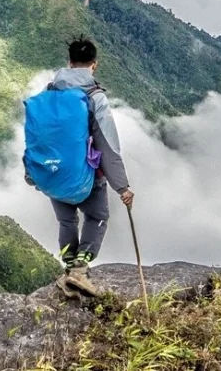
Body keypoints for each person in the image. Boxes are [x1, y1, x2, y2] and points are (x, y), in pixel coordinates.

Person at [27, 36, 133, 296]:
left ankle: (68, 267)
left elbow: (37, 138)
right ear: (94, 65)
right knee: (97, 217)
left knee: (66, 221)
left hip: (51, 175)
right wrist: (123, 187)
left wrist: (32, 173)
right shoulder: (95, 98)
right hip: (86, 178)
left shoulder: (48, 94)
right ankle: (79, 270)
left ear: (69, 63)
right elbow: (107, 146)